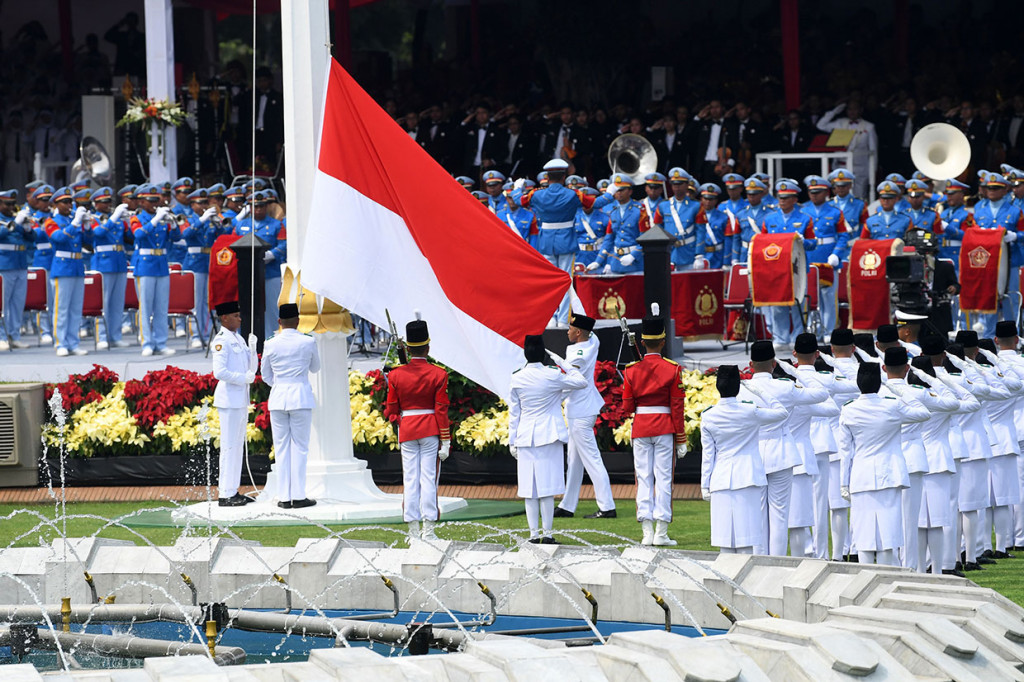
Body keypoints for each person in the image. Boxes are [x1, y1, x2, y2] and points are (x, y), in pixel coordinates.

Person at [739, 340, 828, 555]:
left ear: (751, 364)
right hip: (781, 453)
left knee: (758, 514)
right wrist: (795, 371)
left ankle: (759, 562)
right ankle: (777, 563)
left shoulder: (743, 390)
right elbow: (821, 393)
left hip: (754, 455)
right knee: (780, 515)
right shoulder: (786, 386)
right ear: (773, 364)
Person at [838, 362, 930, 566]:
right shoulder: (892, 405)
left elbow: (846, 452)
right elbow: (923, 412)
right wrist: (900, 389)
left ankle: (867, 578)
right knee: (889, 534)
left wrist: (844, 483)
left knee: (864, 536)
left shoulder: (848, 410)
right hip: (889, 473)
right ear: (880, 383)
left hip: (861, 476)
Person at [700, 365, 787, 554]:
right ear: (738, 387)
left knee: (725, 543)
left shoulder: (708, 415)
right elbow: (782, 413)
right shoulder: (750, 410)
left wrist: (705, 485)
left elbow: (708, 455)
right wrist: (761, 392)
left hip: (721, 479)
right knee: (747, 542)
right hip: (747, 477)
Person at [508, 335, 587, 543]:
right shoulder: (552, 375)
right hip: (549, 434)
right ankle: (547, 534)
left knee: (530, 490)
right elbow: (581, 380)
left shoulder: (517, 377)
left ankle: (534, 534)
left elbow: (514, 413)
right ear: (544, 353)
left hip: (525, 436)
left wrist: (512, 441)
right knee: (546, 489)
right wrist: (561, 361)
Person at [622, 316, 688, 546]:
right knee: (663, 479)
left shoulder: (631, 371)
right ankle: (661, 532)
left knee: (643, 479)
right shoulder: (672, 369)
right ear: (663, 341)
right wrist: (681, 438)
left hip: (641, 427)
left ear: (641, 341)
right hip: (664, 427)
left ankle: (647, 532)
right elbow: (677, 407)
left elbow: (627, 406)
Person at [383, 319, 451, 540]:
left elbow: (392, 408)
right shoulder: (439, 374)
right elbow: (441, 409)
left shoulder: (396, 374)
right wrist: (446, 439)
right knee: (428, 478)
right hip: (430, 429)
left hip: (408, 429)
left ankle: (413, 531)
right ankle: (428, 530)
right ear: (428, 347)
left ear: (409, 348)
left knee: (410, 479)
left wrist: (391, 385)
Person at [555, 314, 616, 519]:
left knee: (592, 460)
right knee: (574, 460)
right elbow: (589, 326)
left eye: (571, 328)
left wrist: (551, 396)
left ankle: (607, 506)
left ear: (578, 332)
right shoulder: (593, 341)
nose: (567, 331)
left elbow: (570, 382)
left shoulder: (577, 356)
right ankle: (567, 505)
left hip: (580, 412)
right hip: (580, 410)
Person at [261, 303, 320, 510]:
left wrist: (280, 384)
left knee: (281, 447)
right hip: (300, 397)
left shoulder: (271, 343)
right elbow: (316, 367)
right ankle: (298, 495)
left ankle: (284, 497)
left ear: (279, 322)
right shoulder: (308, 341)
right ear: (298, 321)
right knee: (300, 448)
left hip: (278, 397)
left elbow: (266, 374)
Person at [211, 300, 258, 507]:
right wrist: (242, 378)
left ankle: (233, 490)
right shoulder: (221, 341)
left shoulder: (237, 338)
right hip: (229, 399)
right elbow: (219, 372)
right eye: (236, 316)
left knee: (238, 446)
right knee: (229, 447)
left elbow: (251, 368)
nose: (240, 319)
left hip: (239, 399)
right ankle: (225, 493)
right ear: (224, 318)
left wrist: (254, 348)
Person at [760, 179, 816, 350]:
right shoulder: (769, 219)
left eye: (787, 197)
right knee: (778, 304)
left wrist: (803, 241)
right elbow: (762, 242)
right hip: (776, 269)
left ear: (794, 199)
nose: (782, 200)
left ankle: (797, 336)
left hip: (797, 268)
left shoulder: (805, 218)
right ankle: (781, 337)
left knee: (798, 303)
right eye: (780, 197)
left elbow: (813, 243)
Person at [43, 187, 90, 356]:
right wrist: (76, 223)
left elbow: (88, 242)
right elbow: (59, 238)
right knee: (61, 308)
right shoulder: (51, 222)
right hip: (62, 267)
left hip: (77, 265)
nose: (69, 205)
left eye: (70, 201)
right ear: (55, 204)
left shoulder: (73, 220)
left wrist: (87, 225)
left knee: (76, 308)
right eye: (65, 202)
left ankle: (73, 342)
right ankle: (60, 342)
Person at [234, 190, 286, 339]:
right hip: (246, 274)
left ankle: (273, 337)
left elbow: (284, 244)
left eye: (262, 207)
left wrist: (273, 254)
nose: (258, 210)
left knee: (272, 308)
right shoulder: (241, 224)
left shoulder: (276, 224)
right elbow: (231, 241)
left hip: (270, 271)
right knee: (246, 308)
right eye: (255, 207)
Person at [801, 176, 849, 338]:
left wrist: (837, 254)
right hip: (808, 257)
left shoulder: (836, 212)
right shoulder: (803, 210)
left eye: (818, 192)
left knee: (828, 296)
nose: (814, 195)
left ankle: (828, 330)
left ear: (826, 192)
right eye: (811, 192)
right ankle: (811, 329)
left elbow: (843, 236)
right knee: (808, 296)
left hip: (828, 257)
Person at [131, 184, 175, 356]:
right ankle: (146, 342)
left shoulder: (162, 217)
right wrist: (155, 220)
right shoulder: (138, 218)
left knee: (162, 307)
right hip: (145, 265)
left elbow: (177, 238)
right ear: (142, 202)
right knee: (146, 307)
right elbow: (139, 235)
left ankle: (160, 342)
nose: (155, 203)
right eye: (151, 200)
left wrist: (173, 223)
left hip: (161, 265)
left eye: (157, 200)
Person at [89, 186, 130, 350]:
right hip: (103, 264)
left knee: (117, 303)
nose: (106, 204)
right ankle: (102, 336)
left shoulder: (118, 219)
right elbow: (98, 233)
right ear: (95, 204)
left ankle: (115, 336)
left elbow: (130, 239)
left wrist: (127, 223)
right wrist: (114, 218)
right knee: (103, 303)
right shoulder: (93, 218)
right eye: (103, 202)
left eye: (108, 201)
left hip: (119, 262)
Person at [181, 188, 221, 348]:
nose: (204, 205)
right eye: (200, 203)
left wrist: (217, 223)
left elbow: (223, 233)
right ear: (192, 204)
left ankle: (206, 332)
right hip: (194, 263)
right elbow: (186, 234)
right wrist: (202, 220)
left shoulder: (210, 218)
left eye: (206, 202)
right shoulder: (187, 218)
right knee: (196, 302)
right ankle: (195, 334)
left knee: (207, 301)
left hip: (208, 262)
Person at [816, 99, 878, 200]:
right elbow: (820, 125)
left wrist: (873, 171)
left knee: (859, 198)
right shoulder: (839, 123)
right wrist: (835, 111)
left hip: (860, 170)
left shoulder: (869, 127)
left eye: (855, 109)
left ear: (860, 110)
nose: (852, 111)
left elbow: (873, 151)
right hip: (841, 167)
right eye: (849, 109)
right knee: (840, 199)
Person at [0, 190, 32, 350]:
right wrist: (15, 225)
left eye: (13, 203)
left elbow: (32, 239)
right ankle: (1, 336)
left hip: (20, 264)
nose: (11, 207)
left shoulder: (15, 219)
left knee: (17, 303)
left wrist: (27, 228)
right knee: (3, 304)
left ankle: (14, 335)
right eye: (8, 204)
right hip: (4, 264)